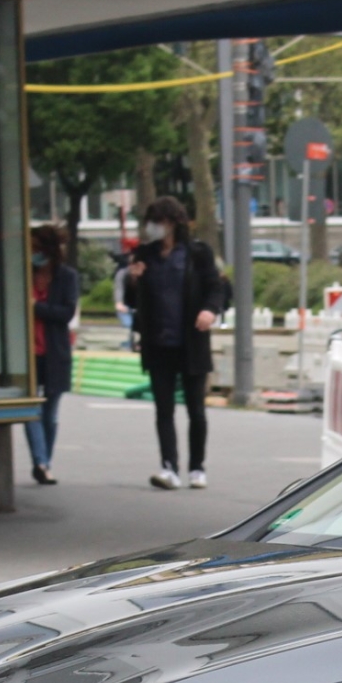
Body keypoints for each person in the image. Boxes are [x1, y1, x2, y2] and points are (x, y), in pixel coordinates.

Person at [120, 196, 230, 489]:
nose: (152, 228)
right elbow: (132, 300)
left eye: (157, 222)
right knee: (163, 408)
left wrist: (210, 310)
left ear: (171, 223)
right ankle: (168, 466)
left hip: (191, 342)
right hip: (157, 342)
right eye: (149, 222)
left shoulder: (197, 254)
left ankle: (197, 467)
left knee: (196, 408)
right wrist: (133, 279)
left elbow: (216, 287)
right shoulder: (145, 254)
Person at [23, 223, 79, 487]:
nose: (33, 253)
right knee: (31, 408)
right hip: (29, 353)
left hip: (55, 351)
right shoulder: (24, 275)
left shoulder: (66, 277)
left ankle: (45, 461)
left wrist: (37, 308)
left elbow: (66, 313)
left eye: (36, 249)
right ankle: (41, 463)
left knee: (50, 412)